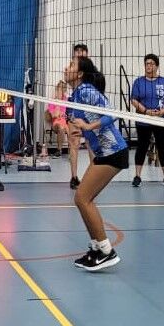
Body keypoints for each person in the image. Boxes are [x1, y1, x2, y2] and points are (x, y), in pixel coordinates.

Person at [64, 56, 128, 271]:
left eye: (71, 65)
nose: (66, 67)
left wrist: (89, 126)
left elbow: (112, 114)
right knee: (83, 199)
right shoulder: (74, 95)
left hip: (113, 151)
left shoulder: (87, 91)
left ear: (80, 73)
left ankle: (106, 251)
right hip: (103, 152)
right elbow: (74, 119)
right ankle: (96, 248)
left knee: (82, 199)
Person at [130, 54, 164, 188]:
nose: (148, 66)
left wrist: (162, 111)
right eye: (146, 63)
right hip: (144, 119)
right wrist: (146, 111)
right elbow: (134, 100)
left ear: (156, 66)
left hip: (162, 119)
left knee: (162, 147)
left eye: (151, 63)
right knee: (142, 147)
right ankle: (137, 176)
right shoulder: (139, 82)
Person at [66, 44, 90, 189]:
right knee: (73, 144)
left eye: (82, 53)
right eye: (77, 54)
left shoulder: (92, 72)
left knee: (91, 145)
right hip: (75, 110)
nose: (79, 55)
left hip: (89, 113)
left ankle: (91, 178)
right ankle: (74, 177)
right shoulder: (72, 70)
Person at [45, 80, 68, 159]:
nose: (60, 91)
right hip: (56, 123)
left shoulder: (66, 100)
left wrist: (61, 114)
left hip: (65, 122)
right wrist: (58, 104)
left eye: (62, 89)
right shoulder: (52, 101)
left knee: (71, 130)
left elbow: (67, 114)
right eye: (58, 89)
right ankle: (59, 150)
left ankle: (72, 152)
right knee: (61, 128)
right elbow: (54, 115)